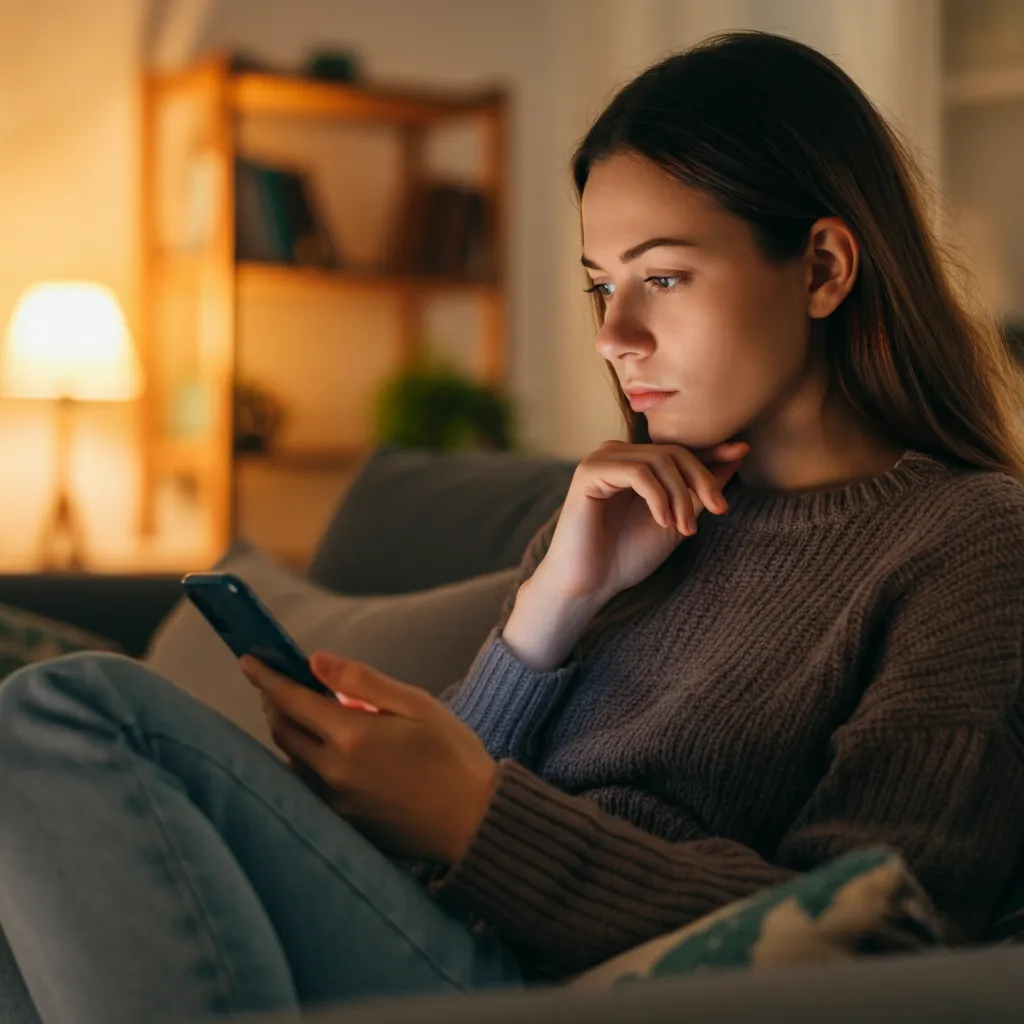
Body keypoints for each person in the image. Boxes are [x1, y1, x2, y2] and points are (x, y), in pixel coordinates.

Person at [2, 29, 1024, 1024]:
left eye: (661, 277)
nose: (613, 337)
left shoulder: (968, 543)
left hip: (556, 985)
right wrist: (551, 606)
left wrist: (475, 817)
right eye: (599, 285)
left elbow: (878, 937)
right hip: (428, 935)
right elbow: (410, 855)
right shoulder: (626, 514)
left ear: (822, 268)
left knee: (71, 714)